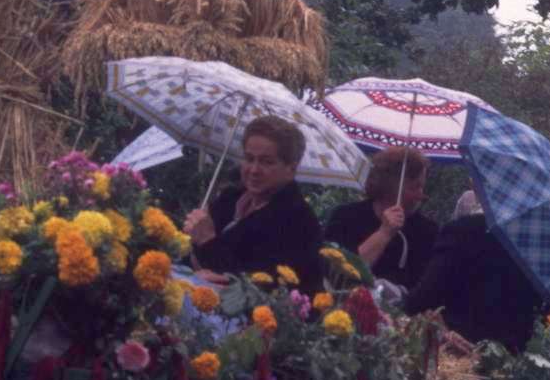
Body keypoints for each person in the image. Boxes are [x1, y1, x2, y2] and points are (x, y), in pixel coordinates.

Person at [182, 115, 323, 295]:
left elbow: (249, 287)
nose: (254, 170)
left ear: (291, 169)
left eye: (266, 162)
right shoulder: (231, 198)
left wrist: (207, 240)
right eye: (249, 158)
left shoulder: (298, 223)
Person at [403, 190, 542, 353]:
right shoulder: (540, 253)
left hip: (450, 352)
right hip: (505, 359)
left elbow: (422, 300)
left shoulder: (464, 231)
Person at [322, 146, 438, 290]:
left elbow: (426, 289)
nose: (421, 195)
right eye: (415, 187)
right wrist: (384, 233)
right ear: (390, 186)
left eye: (422, 187)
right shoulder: (345, 217)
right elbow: (338, 276)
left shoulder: (427, 231)